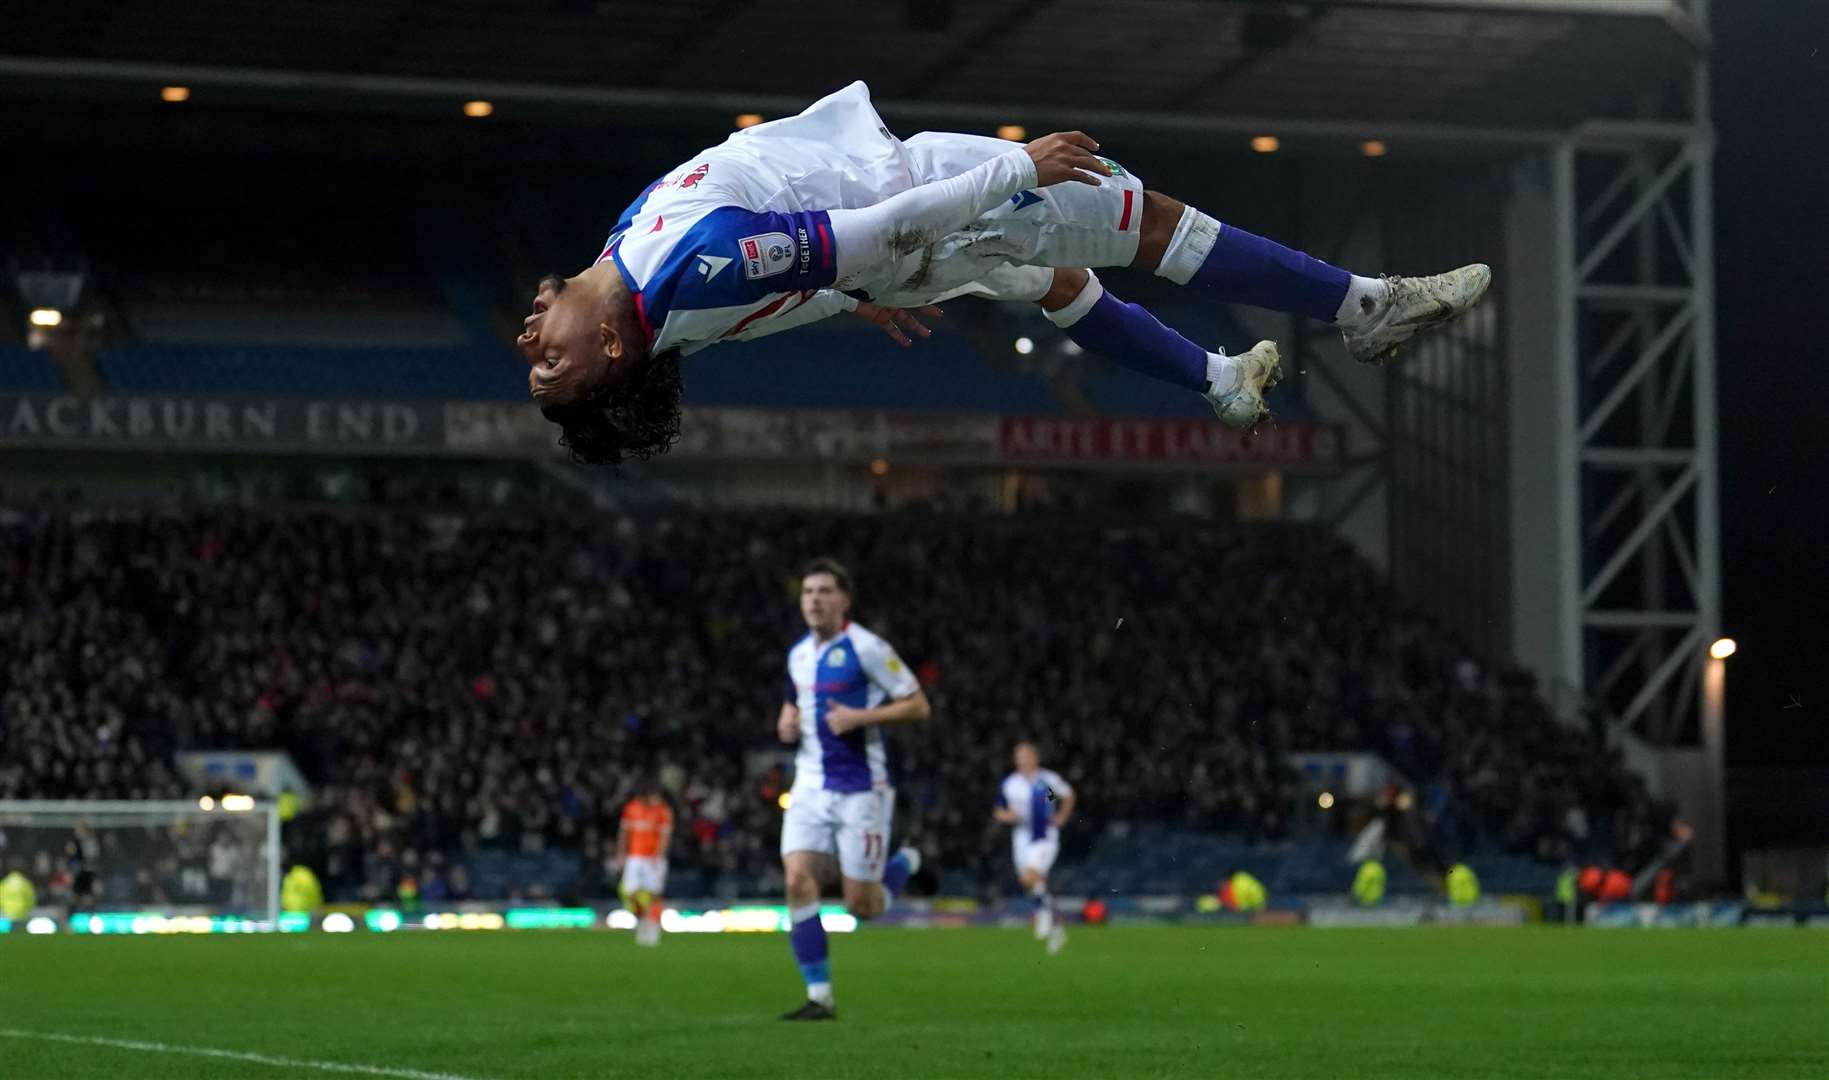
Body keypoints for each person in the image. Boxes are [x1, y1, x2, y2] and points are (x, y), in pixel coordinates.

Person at [515, 81, 1491, 465]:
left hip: (895, 254)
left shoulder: (629, 277)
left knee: (1056, 281)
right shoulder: (691, 265)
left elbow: (731, 315)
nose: (529, 342)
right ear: (606, 346)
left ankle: (1218, 381)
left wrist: (839, 300)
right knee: (1136, 220)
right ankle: (1360, 306)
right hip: (916, 193)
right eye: (550, 366)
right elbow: (875, 227)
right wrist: (1014, 169)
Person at [775, 558, 930, 1021]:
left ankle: (907, 862)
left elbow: (918, 705)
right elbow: (793, 699)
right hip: (809, 785)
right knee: (796, 880)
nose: (815, 600)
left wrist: (860, 718)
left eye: (824, 591)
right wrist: (786, 719)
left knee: (862, 906)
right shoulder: (798, 655)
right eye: (808, 592)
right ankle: (819, 996)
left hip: (863, 789)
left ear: (844, 600)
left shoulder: (868, 649)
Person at [993, 741, 1076, 953]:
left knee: (1030, 876)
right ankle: (1056, 927)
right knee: (1030, 882)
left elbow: (1065, 796)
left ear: (1034, 758)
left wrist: (1061, 817)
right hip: (1021, 836)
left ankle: (1045, 916)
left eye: (1026, 756)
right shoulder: (1010, 784)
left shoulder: (1046, 780)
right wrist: (1009, 816)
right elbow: (999, 811)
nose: (1023, 761)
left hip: (1044, 835)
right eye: (1019, 757)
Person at [616, 779, 674, 947]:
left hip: (653, 858)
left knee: (653, 894)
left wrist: (658, 856)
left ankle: (653, 928)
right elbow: (624, 832)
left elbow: (665, 836)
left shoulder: (663, 810)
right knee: (629, 892)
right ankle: (642, 920)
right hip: (635, 857)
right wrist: (621, 853)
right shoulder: (631, 809)